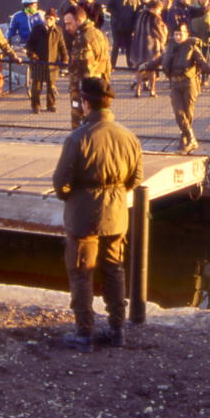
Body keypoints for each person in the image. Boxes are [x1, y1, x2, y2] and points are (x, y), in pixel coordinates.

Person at [52, 77, 143, 352]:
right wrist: (115, 192)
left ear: (86, 102)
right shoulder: (129, 137)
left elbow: (60, 181)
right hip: (116, 211)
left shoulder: (77, 138)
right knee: (114, 270)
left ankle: (84, 332)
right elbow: (136, 179)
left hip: (83, 214)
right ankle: (117, 330)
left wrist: (72, 196)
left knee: (81, 272)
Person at [141, 22, 210, 154]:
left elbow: (202, 62)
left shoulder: (192, 46)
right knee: (178, 113)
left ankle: (185, 138)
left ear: (187, 34)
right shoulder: (171, 46)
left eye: (180, 34)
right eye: (176, 34)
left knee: (187, 113)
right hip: (175, 84)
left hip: (189, 83)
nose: (178, 37)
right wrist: (147, 65)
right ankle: (191, 138)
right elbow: (161, 59)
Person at [62, 5, 112, 129]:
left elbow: (86, 71)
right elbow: (107, 64)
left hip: (84, 95)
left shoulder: (82, 39)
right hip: (99, 90)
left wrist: (84, 100)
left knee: (80, 130)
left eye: (69, 24)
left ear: (79, 21)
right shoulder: (99, 34)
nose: (67, 28)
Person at [25, 8, 68, 113]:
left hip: (52, 63)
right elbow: (29, 45)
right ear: (44, 18)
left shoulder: (58, 30)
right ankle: (35, 106)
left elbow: (62, 46)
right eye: (47, 18)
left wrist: (65, 58)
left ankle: (51, 104)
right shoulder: (37, 29)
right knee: (36, 87)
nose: (49, 20)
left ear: (55, 19)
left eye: (51, 18)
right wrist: (32, 54)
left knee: (51, 86)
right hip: (38, 62)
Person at [129, 0, 167, 97]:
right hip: (151, 48)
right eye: (159, 9)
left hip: (138, 46)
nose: (160, 11)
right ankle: (152, 90)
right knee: (152, 69)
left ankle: (138, 90)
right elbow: (161, 34)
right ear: (154, 8)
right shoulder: (156, 18)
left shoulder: (141, 15)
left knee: (140, 68)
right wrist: (163, 43)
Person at [106, 0, 141, 68]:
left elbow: (137, 10)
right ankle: (112, 64)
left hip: (129, 25)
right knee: (116, 44)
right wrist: (117, 15)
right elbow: (109, 7)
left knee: (129, 45)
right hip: (117, 25)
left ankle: (129, 64)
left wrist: (135, 24)